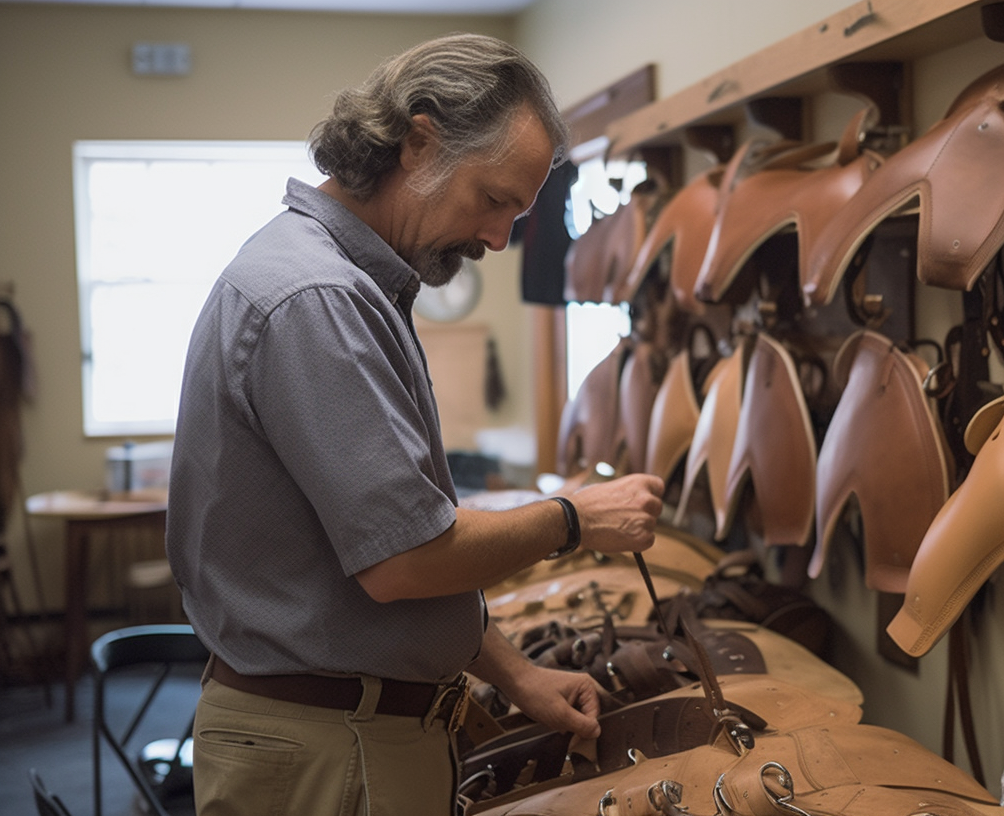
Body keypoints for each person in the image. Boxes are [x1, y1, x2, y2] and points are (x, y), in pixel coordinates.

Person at [165, 32, 664, 815]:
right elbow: (403, 562)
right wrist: (573, 519)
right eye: (495, 200)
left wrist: (516, 673)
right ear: (420, 140)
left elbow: (385, 559)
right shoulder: (317, 299)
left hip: (345, 732)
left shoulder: (344, 285)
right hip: (329, 746)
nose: (499, 238)